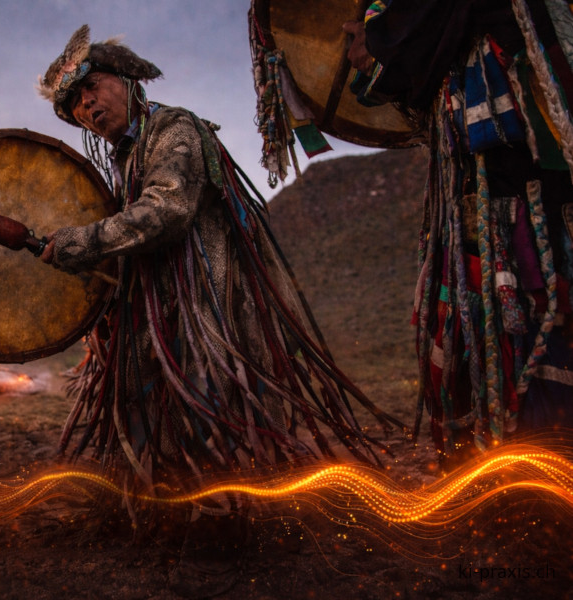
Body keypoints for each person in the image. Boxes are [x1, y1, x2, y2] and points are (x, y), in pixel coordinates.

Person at [36, 25, 401, 526]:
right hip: (155, 308)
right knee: (139, 400)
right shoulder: (124, 158)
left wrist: (80, 242)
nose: (87, 106)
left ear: (126, 79)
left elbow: (167, 210)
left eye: (92, 86)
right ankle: (152, 510)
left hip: (205, 309)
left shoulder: (175, 129)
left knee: (208, 402)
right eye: (75, 103)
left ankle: (222, 525)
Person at [339, 0, 573, 464]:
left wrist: (379, 36)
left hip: (527, 185)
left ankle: (538, 465)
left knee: (537, 305)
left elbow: (420, 28)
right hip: (481, 196)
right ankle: (504, 465)